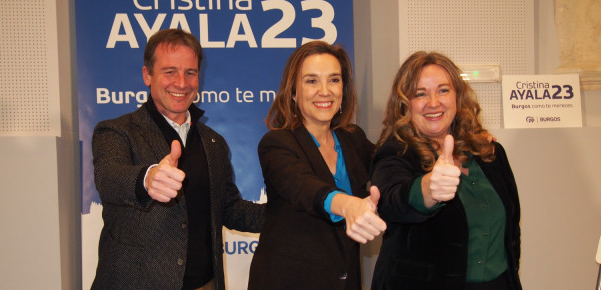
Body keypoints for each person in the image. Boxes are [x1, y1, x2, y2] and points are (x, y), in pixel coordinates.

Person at [91, 29, 264, 290]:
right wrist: (147, 178)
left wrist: (291, 213)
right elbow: (109, 177)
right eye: (170, 71)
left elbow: (230, 209)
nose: (182, 83)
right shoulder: (116, 131)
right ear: (147, 75)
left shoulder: (213, 143)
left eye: (190, 72)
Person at [370, 51, 522, 290]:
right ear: (405, 104)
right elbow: (391, 200)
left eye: (443, 90)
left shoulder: (490, 152)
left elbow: (512, 230)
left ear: (458, 96)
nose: (433, 102)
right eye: (420, 94)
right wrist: (429, 189)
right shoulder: (395, 152)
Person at [247, 41, 387, 290]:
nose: (325, 91)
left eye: (334, 80)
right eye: (311, 81)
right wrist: (348, 205)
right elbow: (304, 188)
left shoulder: (353, 139)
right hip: (288, 281)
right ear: (293, 92)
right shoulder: (276, 144)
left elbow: (389, 165)